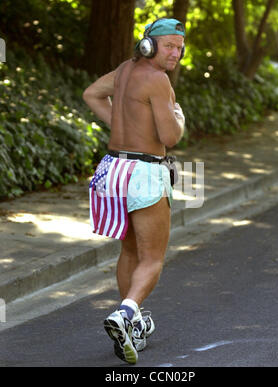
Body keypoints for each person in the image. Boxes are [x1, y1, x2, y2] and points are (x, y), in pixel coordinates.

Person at [83, 18, 185, 364]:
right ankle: (126, 314)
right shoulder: (158, 80)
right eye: (169, 45)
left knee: (129, 250)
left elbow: (92, 93)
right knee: (153, 257)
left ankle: (132, 324)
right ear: (150, 45)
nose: (176, 53)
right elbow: (170, 138)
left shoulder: (125, 70)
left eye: (180, 48)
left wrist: (123, 123)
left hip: (112, 169)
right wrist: (180, 118)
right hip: (143, 172)